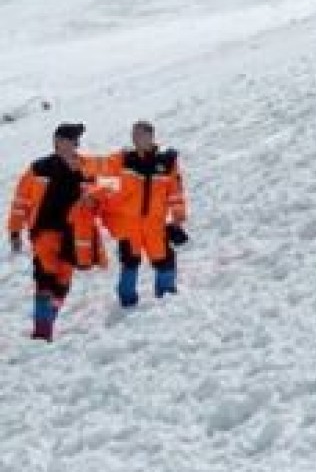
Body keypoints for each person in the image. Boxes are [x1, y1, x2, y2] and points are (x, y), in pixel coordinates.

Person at [7, 123, 112, 341]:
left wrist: (95, 201)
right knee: (45, 277)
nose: (74, 144)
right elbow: (20, 202)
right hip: (44, 231)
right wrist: (15, 230)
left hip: (74, 235)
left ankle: (48, 321)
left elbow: (97, 203)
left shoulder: (85, 168)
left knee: (62, 283)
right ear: (57, 142)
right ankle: (42, 332)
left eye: (76, 141)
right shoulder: (39, 168)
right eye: (70, 140)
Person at [94, 121, 188, 307]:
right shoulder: (125, 158)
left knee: (164, 259)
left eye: (139, 135)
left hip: (155, 224)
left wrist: (178, 216)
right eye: (133, 135)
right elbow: (101, 165)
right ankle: (127, 302)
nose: (135, 138)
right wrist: (78, 162)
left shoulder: (167, 161)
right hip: (129, 225)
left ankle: (166, 295)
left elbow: (175, 191)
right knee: (130, 262)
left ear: (150, 137)